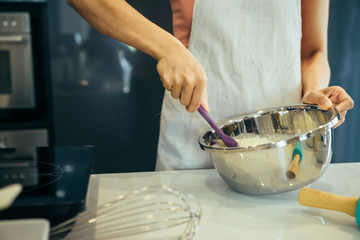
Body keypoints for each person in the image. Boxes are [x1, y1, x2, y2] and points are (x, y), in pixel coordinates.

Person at [67, 0, 354, 170]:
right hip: (195, 145)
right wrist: (168, 49)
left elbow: (313, 52)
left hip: (285, 151)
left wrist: (314, 91)